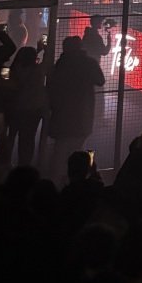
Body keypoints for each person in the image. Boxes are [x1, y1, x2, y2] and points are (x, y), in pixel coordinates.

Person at [46, 35, 104, 183]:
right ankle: (76, 183)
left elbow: (52, 87)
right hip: (82, 115)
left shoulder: (61, 63)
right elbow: (100, 80)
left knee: (59, 153)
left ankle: (56, 185)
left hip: (62, 115)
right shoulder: (88, 63)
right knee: (77, 151)